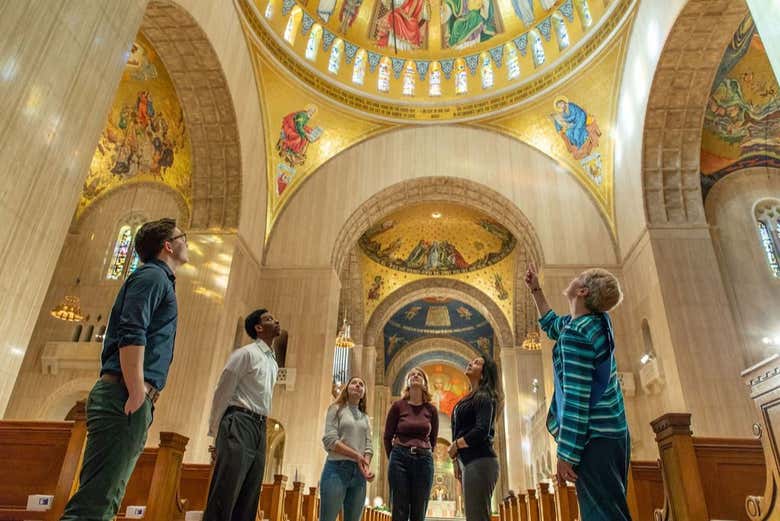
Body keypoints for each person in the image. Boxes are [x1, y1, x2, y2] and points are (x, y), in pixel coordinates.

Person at [61, 218, 188, 520]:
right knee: (94, 505)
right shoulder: (152, 277)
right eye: (183, 237)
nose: (188, 242)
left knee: (105, 499)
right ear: (168, 246)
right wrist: (135, 390)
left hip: (127, 396)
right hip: (123, 394)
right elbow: (133, 330)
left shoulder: (157, 279)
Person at [525, 263, 632, 521]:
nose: (574, 278)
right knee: (612, 510)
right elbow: (553, 326)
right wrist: (536, 290)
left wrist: (566, 454)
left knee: (602, 516)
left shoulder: (577, 334)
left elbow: (576, 398)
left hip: (595, 439)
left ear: (582, 291)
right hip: (614, 434)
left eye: (579, 278)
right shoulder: (595, 323)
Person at [202, 309, 282, 521]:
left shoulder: (273, 363)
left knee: (250, 494)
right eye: (269, 319)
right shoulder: (246, 354)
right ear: (258, 328)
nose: (276, 321)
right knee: (226, 491)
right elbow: (223, 391)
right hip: (239, 421)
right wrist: (216, 432)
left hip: (260, 427)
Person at [448, 356, 501, 521]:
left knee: (477, 517)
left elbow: (481, 430)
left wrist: (456, 445)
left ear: (484, 375)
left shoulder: (484, 395)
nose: (471, 363)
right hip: (470, 462)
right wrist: (456, 461)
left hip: (480, 460)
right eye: (472, 361)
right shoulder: (470, 396)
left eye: (477, 363)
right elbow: (460, 430)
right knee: (473, 516)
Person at [384, 367, 438, 521]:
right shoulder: (398, 406)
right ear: (407, 382)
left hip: (424, 460)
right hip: (399, 458)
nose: (415, 375)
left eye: (419, 374)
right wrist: (394, 456)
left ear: (425, 384)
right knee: (399, 509)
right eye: (412, 374)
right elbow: (387, 436)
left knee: (419, 511)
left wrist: (425, 451)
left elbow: (433, 439)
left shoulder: (431, 409)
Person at [319, 376, 375, 521]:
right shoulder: (336, 409)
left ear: (363, 393)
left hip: (359, 474)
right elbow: (330, 440)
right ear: (347, 388)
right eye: (354, 383)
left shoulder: (365, 418)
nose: (358, 385)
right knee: (328, 518)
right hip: (336, 469)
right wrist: (357, 456)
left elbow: (368, 446)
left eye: (361, 384)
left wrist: (366, 467)